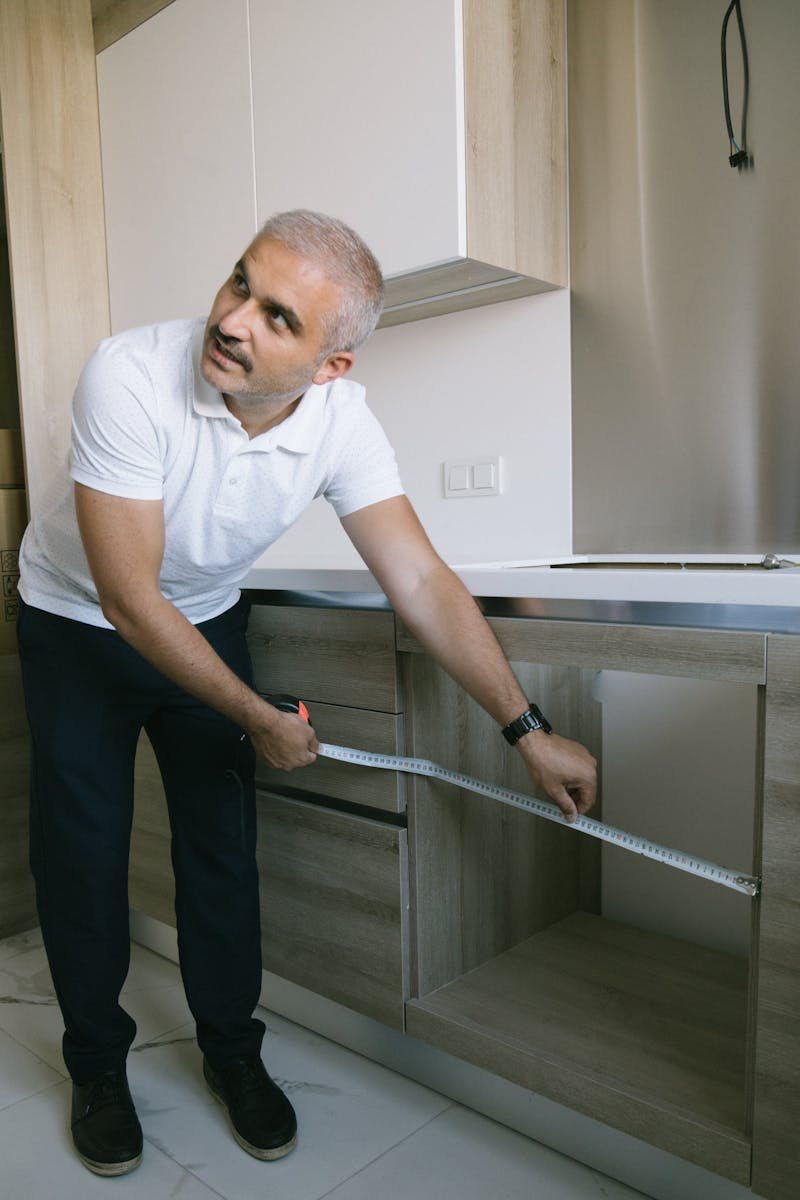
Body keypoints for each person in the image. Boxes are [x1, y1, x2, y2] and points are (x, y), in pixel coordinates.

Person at [16, 210, 596, 1177]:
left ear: (332, 366)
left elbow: (418, 579)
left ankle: (233, 1054)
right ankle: (97, 1069)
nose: (235, 319)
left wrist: (526, 727)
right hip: (77, 623)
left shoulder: (341, 426)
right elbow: (126, 594)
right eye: (239, 283)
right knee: (81, 851)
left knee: (220, 844)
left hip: (200, 618)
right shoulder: (127, 374)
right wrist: (254, 716)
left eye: (278, 317)